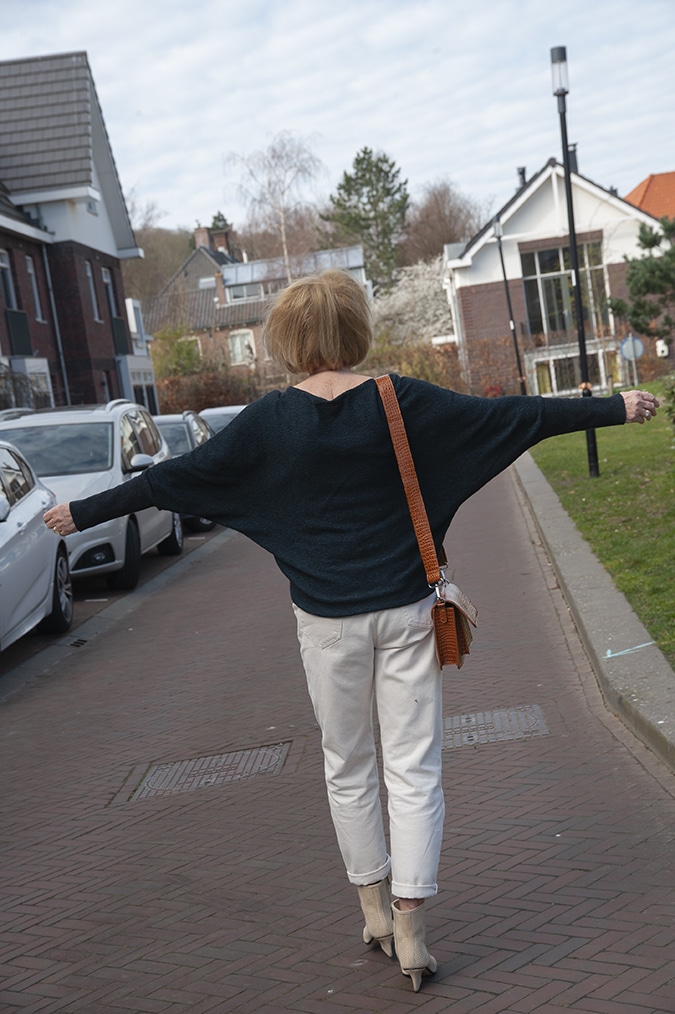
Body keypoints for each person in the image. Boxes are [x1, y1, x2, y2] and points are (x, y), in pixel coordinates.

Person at [44, 269, 660, 992]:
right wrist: (613, 407)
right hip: (406, 615)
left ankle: (370, 909)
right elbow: (513, 418)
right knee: (415, 769)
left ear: (286, 339)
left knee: (348, 767)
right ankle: (410, 925)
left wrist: (81, 515)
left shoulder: (268, 421)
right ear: (355, 330)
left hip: (327, 627)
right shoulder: (403, 401)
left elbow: (173, 479)